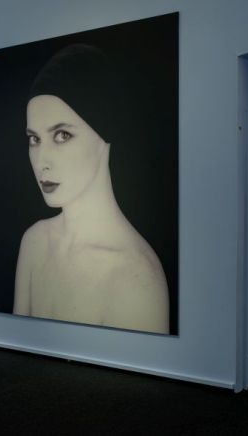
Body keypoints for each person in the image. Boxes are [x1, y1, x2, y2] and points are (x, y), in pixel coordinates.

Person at [13, 44, 169, 334]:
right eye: (34, 139)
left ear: (104, 136)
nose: (42, 161)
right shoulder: (34, 242)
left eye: (62, 135)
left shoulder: (135, 276)